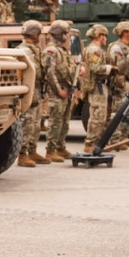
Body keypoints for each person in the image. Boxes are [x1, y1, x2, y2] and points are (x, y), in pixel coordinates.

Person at [16, 20, 49, 167]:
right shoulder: (24, 50)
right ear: (34, 33)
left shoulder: (35, 49)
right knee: (27, 123)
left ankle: (32, 150)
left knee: (36, 124)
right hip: (27, 90)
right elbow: (23, 73)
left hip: (36, 90)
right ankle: (22, 155)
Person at [42, 20, 75, 162]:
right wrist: (58, 89)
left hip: (66, 90)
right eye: (66, 33)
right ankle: (50, 150)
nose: (67, 36)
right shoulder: (51, 51)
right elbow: (50, 72)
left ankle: (60, 147)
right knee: (55, 121)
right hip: (57, 92)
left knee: (64, 122)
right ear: (59, 34)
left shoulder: (63, 50)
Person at [106, 20, 129, 150]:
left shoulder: (126, 48)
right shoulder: (116, 48)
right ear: (124, 33)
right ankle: (115, 140)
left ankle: (124, 138)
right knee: (118, 112)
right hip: (121, 84)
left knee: (127, 112)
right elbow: (119, 67)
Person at [79, 24, 113, 155]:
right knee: (97, 116)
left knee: (100, 115)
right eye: (104, 36)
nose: (105, 39)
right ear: (100, 36)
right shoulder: (94, 50)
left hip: (100, 86)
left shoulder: (94, 49)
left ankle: (95, 142)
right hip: (97, 86)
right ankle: (90, 143)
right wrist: (110, 68)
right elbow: (95, 68)